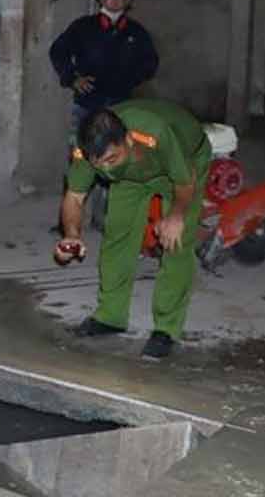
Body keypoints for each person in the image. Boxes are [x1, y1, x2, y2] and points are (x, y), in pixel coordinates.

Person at [53, 99, 211, 360]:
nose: (105, 169)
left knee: (176, 241)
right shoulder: (88, 152)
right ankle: (110, 316)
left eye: (112, 159)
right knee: (118, 233)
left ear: (128, 140)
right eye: (99, 164)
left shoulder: (154, 132)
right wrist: (71, 234)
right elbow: (74, 196)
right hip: (132, 175)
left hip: (185, 162)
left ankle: (166, 329)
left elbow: (185, 181)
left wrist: (175, 215)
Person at [49, 0, 158, 231]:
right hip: (88, 106)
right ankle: (68, 220)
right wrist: (72, 78)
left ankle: (105, 217)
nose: (115, 0)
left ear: (128, 1)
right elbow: (58, 51)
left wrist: (128, 81)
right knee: (79, 159)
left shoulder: (136, 33)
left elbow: (151, 63)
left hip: (121, 109)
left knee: (115, 160)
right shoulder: (83, 27)